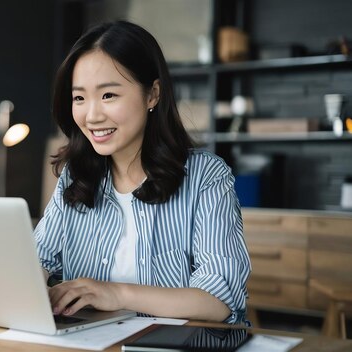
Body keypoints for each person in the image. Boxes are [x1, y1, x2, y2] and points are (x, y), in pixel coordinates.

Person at [34, 20, 251, 324]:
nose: (92, 115)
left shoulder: (206, 177)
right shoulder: (76, 176)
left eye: (108, 95)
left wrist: (116, 294)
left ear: (152, 94)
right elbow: (35, 262)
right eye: (80, 97)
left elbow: (219, 299)